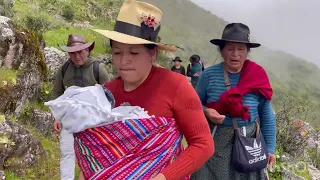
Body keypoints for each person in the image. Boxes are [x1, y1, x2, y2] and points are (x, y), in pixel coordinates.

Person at [89, 0, 214, 179]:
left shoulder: (176, 86)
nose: (124, 60)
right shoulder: (107, 92)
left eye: (134, 53)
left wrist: (163, 177)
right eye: (117, 52)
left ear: (153, 54)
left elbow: (203, 144)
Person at [191, 23, 276, 180]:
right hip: (215, 141)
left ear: (247, 52)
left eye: (241, 49)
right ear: (222, 51)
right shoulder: (208, 75)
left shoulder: (257, 76)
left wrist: (270, 148)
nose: (235, 54)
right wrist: (206, 111)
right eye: (230, 48)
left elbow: (266, 114)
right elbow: (193, 105)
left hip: (249, 144)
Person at [52, 34, 110, 180]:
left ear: (87, 50)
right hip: (69, 117)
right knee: (67, 153)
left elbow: (110, 94)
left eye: (80, 51)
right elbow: (57, 92)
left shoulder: (98, 69)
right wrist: (57, 116)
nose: (77, 56)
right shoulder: (64, 69)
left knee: (95, 154)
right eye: (73, 53)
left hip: (93, 119)